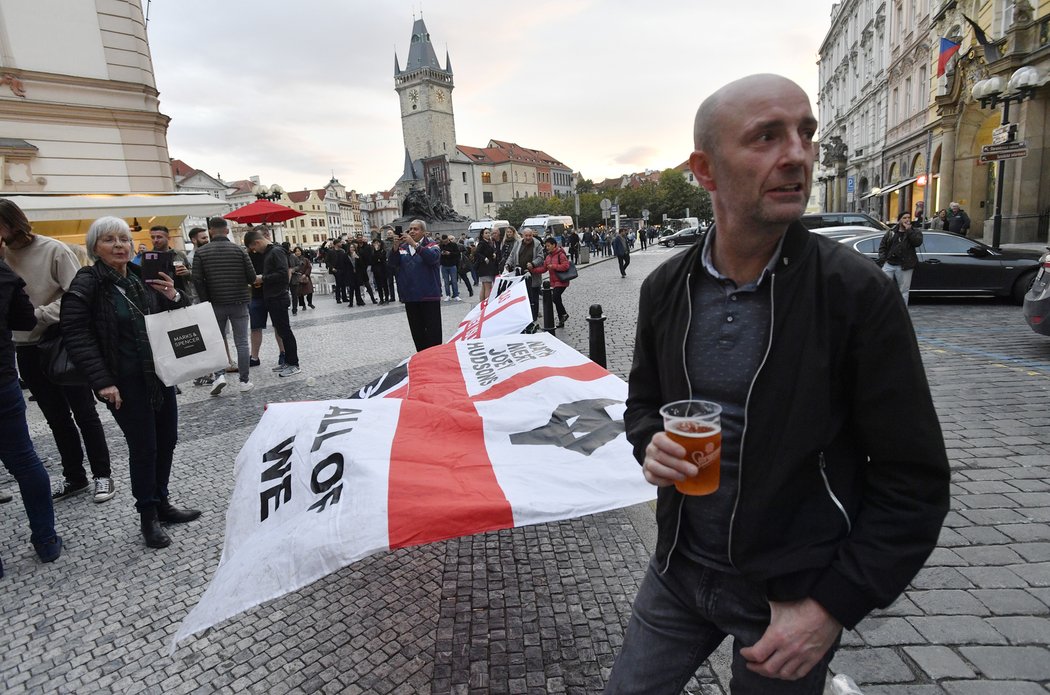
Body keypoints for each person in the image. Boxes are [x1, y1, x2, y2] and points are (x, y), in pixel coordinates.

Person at [605, 74, 950, 694]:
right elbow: (644, 404)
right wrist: (650, 438)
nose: (797, 153)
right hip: (679, 567)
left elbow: (914, 482)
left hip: (789, 593)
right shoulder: (667, 288)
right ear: (705, 170)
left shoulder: (853, 293)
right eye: (766, 137)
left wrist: (831, 606)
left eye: (806, 133)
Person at [61, 217, 202, 549]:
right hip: (123, 383)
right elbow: (76, 334)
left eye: (124, 238)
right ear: (94, 247)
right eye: (109, 240)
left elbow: (173, 318)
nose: (120, 245)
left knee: (166, 440)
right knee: (144, 448)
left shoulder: (141, 278)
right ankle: (147, 517)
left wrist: (173, 296)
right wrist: (103, 382)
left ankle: (163, 503)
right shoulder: (88, 282)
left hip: (159, 375)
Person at [0, 198, 114, 503]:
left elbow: (76, 295)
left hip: (62, 341)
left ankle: (102, 475)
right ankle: (74, 477)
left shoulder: (53, 250)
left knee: (84, 413)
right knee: (56, 417)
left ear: (11, 222)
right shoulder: (2, 255)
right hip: (24, 346)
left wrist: (40, 315)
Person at [0, 256, 62, 573]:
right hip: (2, 381)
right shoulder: (3, 272)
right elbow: (24, 321)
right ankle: (46, 540)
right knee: (25, 461)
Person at [192, 216, 257, 394]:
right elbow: (251, 277)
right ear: (227, 231)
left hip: (215, 303)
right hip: (239, 301)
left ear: (210, 231)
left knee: (217, 341)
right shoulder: (239, 250)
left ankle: (219, 376)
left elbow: (196, 279)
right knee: (242, 342)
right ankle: (244, 381)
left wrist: (206, 299)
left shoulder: (201, 252)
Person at [244, 230, 300, 377]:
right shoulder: (269, 253)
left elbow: (282, 274)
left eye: (254, 248)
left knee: (285, 331)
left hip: (278, 297)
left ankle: (294, 364)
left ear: (257, 242)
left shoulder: (276, 252)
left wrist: (263, 278)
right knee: (281, 331)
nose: (255, 251)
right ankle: (288, 361)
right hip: (272, 297)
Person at [388, 219, 442, 351]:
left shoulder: (432, 245)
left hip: (429, 296)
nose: (412, 231)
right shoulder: (402, 248)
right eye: (410, 229)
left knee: (433, 333)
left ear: (424, 232)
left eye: (415, 229)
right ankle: (422, 359)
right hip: (410, 296)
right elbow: (392, 264)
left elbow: (432, 259)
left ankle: (435, 360)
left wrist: (416, 245)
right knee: (417, 334)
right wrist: (395, 247)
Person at [877, 211, 923, 304]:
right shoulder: (891, 232)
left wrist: (908, 230)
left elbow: (917, 242)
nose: (907, 220)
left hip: (905, 265)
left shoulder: (915, 231)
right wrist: (883, 259)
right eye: (904, 218)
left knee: (903, 291)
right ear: (899, 220)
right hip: (889, 264)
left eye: (908, 218)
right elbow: (883, 246)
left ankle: (902, 314)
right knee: (884, 287)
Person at [528, 238, 571, 328]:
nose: (547, 248)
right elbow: (544, 269)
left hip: (561, 280)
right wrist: (532, 270)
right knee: (557, 298)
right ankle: (561, 319)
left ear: (554, 245)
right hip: (553, 282)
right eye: (546, 246)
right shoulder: (548, 257)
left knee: (555, 297)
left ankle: (563, 314)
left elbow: (566, 266)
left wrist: (554, 266)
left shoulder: (560, 254)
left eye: (548, 246)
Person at [149, 225, 194, 300]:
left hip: (183, 297)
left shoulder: (179, 254)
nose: (155, 240)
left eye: (159, 237)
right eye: (153, 237)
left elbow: (193, 276)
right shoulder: (148, 257)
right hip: (160, 300)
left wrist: (187, 273)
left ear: (168, 238)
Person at [516, 228, 545, 322]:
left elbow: (541, 257)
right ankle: (526, 317)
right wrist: (508, 264)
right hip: (521, 275)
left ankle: (534, 317)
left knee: (534, 298)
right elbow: (513, 256)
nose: (528, 237)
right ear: (523, 235)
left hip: (533, 275)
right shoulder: (519, 243)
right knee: (524, 298)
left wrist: (533, 263)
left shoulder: (537, 244)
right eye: (526, 235)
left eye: (530, 235)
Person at [474, 228, 499, 303]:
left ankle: (482, 303)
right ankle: (486, 303)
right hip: (485, 268)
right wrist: (484, 258)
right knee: (488, 286)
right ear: (482, 235)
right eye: (486, 233)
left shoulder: (488, 242)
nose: (488, 234)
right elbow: (477, 253)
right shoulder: (482, 243)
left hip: (487, 267)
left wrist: (493, 254)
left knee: (484, 287)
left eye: (489, 233)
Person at [439, 234, 463, 302]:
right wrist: (442, 253)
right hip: (444, 265)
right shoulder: (441, 245)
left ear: (448, 239)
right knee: (446, 281)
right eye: (443, 241)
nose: (445, 243)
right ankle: (447, 295)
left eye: (446, 241)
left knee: (454, 281)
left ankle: (456, 295)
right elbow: (438, 254)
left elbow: (457, 254)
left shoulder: (454, 245)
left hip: (452, 265)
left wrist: (449, 253)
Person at [292, 247, 315, 311]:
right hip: (297, 277)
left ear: (301, 251)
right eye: (296, 251)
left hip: (306, 277)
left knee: (309, 291)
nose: (297, 252)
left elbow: (309, 267)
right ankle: (303, 305)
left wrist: (305, 274)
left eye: (299, 251)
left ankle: (310, 303)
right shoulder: (293, 260)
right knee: (300, 293)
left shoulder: (305, 259)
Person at [370, 239, 390, 305]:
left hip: (383, 269)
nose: (376, 244)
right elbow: (373, 260)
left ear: (380, 243)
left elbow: (381, 258)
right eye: (374, 243)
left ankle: (386, 298)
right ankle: (381, 299)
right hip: (376, 270)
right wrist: (377, 257)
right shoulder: (372, 251)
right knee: (378, 286)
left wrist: (377, 253)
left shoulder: (383, 250)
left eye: (377, 243)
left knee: (385, 285)